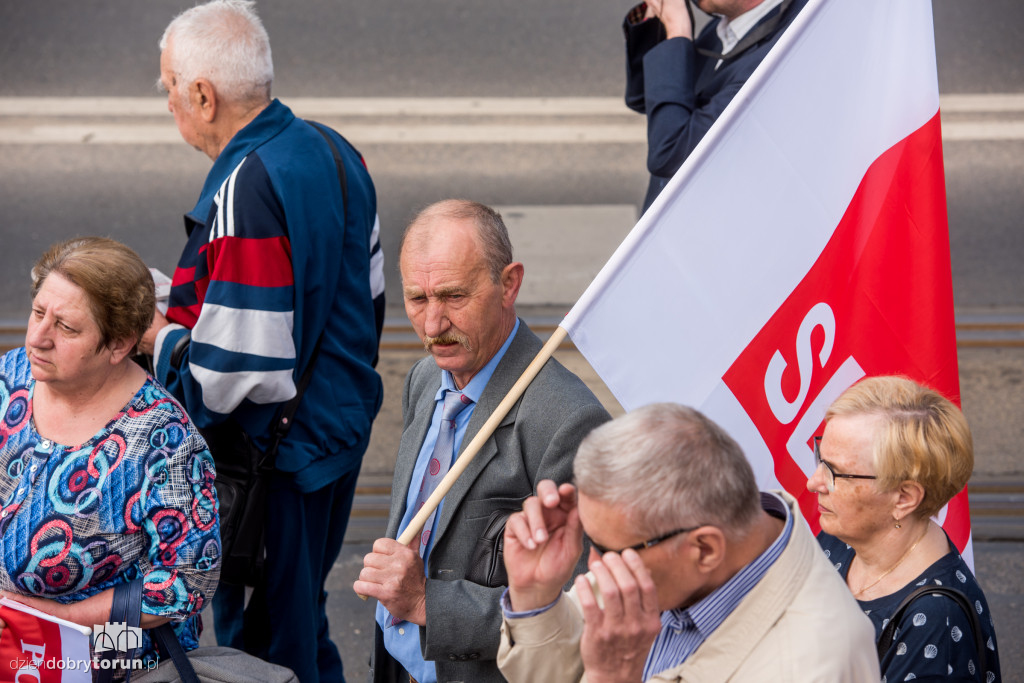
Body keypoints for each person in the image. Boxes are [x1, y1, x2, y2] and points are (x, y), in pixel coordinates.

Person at [142, 1, 384, 680]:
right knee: (302, 620)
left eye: (168, 88)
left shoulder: (248, 184)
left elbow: (233, 373)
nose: (168, 104)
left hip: (275, 462)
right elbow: (366, 299)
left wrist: (157, 334)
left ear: (203, 94)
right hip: (334, 433)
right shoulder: (334, 147)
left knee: (262, 648)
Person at [354, 199, 611, 683]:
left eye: (453, 297)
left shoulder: (568, 423)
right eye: (417, 299)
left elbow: (587, 607)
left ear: (508, 284)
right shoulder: (425, 379)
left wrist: (429, 603)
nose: (432, 327)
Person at [497, 402, 879, 682]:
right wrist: (536, 596)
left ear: (705, 549)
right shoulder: (668, 553)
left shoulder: (814, 665)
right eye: (588, 537)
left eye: (611, 551)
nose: (594, 568)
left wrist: (614, 676)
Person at [0, 237, 219, 666]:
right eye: (38, 313)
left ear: (119, 345)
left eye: (66, 328)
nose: (38, 338)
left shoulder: (167, 444)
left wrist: (64, 621)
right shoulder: (13, 374)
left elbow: (188, 582)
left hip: (109, 654)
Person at [808, 376, 1001, 682]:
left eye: (836, 472)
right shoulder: (840, 535)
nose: (814, 483)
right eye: (820, 458)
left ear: (904, 498)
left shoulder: (936, 622)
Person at [624, 0, 807, 211]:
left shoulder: (777, 57)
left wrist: (677, 29)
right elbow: (644, 98)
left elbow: (671, 155)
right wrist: (658, 14)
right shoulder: (733, 21)